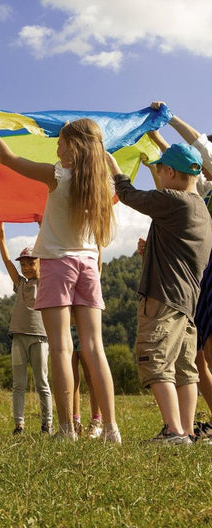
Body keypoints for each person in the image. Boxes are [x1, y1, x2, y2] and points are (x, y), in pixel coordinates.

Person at [0, 112, 121, 442]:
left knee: (60, 347)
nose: (57, 150)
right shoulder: (105, 184)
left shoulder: (58, 176)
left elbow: (7, 157)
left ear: (73, 148)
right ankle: (112, 428)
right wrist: (104, 155)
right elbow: (112, 166)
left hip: (57, 264)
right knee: (96, 348)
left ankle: (67, 429)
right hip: (88, 265)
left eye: (60, 144)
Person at [107, 139, 212, 444]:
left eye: (160, 170)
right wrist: (150, 248)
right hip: (187, 303)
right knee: (184, 369)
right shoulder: (202, 211)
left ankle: (173, 429)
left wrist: (115, 169)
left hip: (164, 296)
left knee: (154, 358)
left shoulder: (175, 200)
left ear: (169, 171)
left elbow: (128, 194)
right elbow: (181, 252)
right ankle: (187, 431)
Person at [144, 104, 212, 440]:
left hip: (179, 285)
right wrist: (156, 135)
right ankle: (185, 429)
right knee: (192, 359)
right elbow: (187, 161)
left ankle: (176, 429)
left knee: (166, 356)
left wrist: (169, 121)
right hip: (194, 283)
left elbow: (197, 148)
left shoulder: (186, 198)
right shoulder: (201, 200)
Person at [0, 221, 52, 436]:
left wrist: (43, 228)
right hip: (18, 338)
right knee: (18, 384)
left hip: (40, 339)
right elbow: (7, 261)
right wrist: (1, 236)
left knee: (42, 383)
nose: (27, 267)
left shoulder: (46, 281)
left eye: (31, 263)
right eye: (24, 264)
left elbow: (49, 252)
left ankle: (47, 424)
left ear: (40, 263)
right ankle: (19, 425)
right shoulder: (20, 283)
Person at [71, 323, 103, 438]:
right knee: (71, 379)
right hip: (66, 327)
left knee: (91, 377)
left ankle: (96, 422)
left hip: (84, 326)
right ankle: (75, 423)